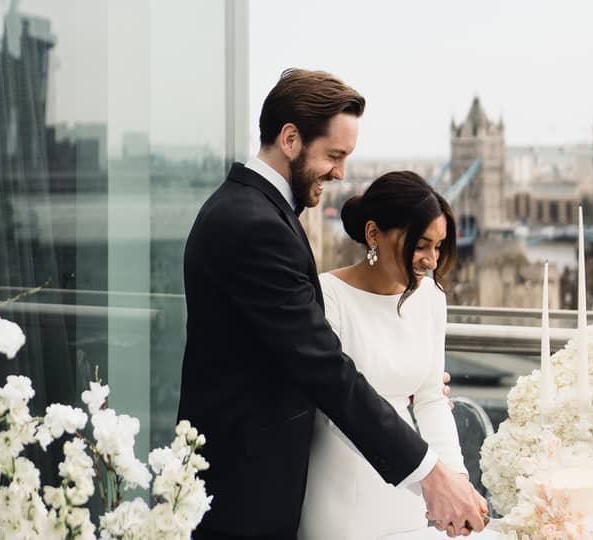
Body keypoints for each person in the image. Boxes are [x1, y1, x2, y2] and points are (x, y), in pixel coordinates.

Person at [178, 68, 487, 539]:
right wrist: (430, 472)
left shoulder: (253, 210)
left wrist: (406, 384)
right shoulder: (255, 224)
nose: (342, 172)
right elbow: (323, 365)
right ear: (289, 138)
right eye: (334, 155)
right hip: (248, 484)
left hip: (257, 472)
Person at [300, 171, 485, 540]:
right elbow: (339, 408)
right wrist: (430, 476)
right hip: (343, 495)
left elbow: (431, 399)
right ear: (373, 235)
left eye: (439, 246)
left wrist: (455, 479)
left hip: (412, 488)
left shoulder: (431, 296)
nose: (431, 261)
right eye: (420, 245)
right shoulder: (327, 296)